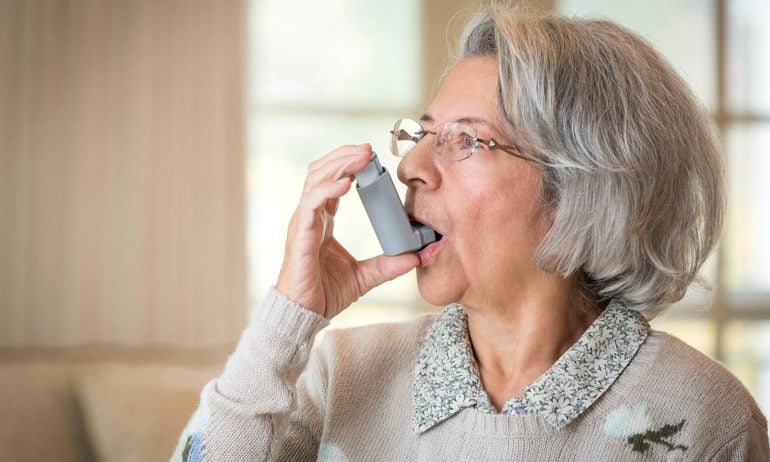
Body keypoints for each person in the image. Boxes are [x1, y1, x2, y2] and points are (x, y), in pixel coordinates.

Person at [172, 5, 769, 461]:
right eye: (424, 134)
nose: (409, 167)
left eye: (466, 141)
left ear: (578, 189)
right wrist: (286, 320)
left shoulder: (701, 415)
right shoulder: (343, 375)